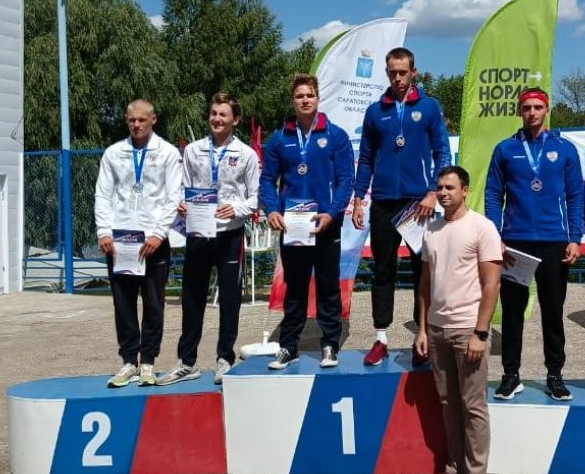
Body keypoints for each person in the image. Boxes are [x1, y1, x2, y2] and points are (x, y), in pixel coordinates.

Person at [484, 87, 584, 401]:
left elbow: (575, 197)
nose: (532, 113)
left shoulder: (565, 149)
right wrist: (495, 236)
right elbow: (492, 195)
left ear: (547, 109)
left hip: (555, 242)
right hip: (515, 242)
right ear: (520, 111)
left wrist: (575, 238)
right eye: (526, 108)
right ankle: (510, 375)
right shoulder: (505, 149)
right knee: (513, 313)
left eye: (537, 107)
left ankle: (554, 375)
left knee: (553, 312)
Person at [353, 47, 451, 366]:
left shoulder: (429, 107)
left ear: (413, 72)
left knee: (423, 270)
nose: (397, 78)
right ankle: (381, 338)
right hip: (383, 202)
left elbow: (442, 152)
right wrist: (358, 199)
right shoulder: (375, 111)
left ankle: (422, 337)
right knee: (383, 270)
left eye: (403, 72)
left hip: (418, 203)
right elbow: (366, 159)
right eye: (392, 72)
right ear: (387, 72)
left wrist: (433, 192)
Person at [157, 93, 260, 386]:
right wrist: (180, 202)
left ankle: (225, 358)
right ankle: (187, 362)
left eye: (223, 114)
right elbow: (181, 187)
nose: (217, 119)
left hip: (230, 234)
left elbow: (256, 198)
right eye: (214, 113)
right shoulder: (193, 150)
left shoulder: (246, 154)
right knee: (192, 297)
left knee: (229, 299)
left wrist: (237, 208)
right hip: (199, 233)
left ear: (235, 120)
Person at [414, 166, 502, 474]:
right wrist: (422, 329)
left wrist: (480, 333)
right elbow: (424, 284)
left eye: (450, 187)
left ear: (465, 190)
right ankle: (455, 468)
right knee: (448, 402)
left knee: (473, 405)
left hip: (467, 329)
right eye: (439, 187)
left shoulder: (482, 227)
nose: (443, 193)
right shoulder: (431, 229)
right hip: (437, 329)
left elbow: (491, 284)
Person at [259, 74, 354, 370]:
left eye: (309, 95)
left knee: (328, 287)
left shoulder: (335, 136)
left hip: (325, 224)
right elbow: (266, 180)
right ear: (293, 101)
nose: (305, 100)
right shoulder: (279, 139)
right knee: (295, 289)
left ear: (318, 98)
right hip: (293, 226)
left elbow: (346, 179)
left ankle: (330, 344)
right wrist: (271, 210)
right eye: (299, 96)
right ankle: (289, 347)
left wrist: (333, 212)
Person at [95, 99, 182, 388]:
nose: (136, 125)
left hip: (153, 242)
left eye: (142, 120)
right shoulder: (113, 153)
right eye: (131, 120)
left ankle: (148, 362)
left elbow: (172, 196)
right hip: (120, 242)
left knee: (154, 304)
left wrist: (158, 233)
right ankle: (129, 361)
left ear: (153, 120)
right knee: (123, 304)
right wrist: (104, 231)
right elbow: (103, 194)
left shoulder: (167, 153)